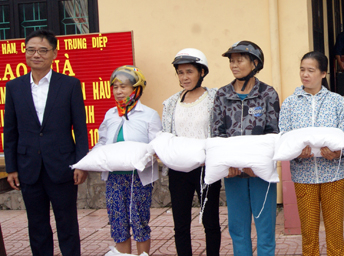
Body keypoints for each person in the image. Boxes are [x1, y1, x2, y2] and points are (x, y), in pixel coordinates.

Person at [4, 29, 88, 256]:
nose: (36, 55)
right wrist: (11, 167)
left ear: (54, 54)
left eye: (42, 50)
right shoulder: (13, 87)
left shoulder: (69, 85)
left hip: (62, 166)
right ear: (25, 53)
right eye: (31, 50)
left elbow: (80, 129)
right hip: (28, 167)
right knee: (37, 225)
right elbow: (10, 131)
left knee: (67, 224)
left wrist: (81, 163)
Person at [279, 51, 344, 256]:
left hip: (333, 176)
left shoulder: (337, 102)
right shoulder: (290, 103)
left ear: (323, 73)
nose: (305, 74)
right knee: (309, 233)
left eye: (311, 70)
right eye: (302, 69)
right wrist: (296, 152)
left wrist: (339, 154)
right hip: (304, 176)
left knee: (335, 231)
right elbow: (283, 135)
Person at [213, 40, 280, 255]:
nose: (234, 64)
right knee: (238, 229)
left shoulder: (267, 94)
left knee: (266, 229)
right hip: (233, 173)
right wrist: (229, 165)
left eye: (239, 60)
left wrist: (257, 165)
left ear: (254, 63)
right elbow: (217, 133)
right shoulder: (222, 95)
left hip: (261, 173)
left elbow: (273, 133)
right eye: (231, 61)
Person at [95, 65, 161, 255]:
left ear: (136, 89)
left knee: (139, 221)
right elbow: (102, 142)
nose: (119, 91)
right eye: (115, 87)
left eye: (123, 87)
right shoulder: (110, 115)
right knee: (118, 223)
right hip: (114, 179)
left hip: (139, 179)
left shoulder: (149, 115)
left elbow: (156, 145)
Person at [162, 48, 221, 256]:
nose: (184, 77)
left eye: (189, 71)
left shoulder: (215, 98)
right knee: (180, 224)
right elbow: (166, 135)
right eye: (180, 72)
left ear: (201, 72)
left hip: (206, 169)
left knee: (211, 221)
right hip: (179, 171)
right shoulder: (171, 103)